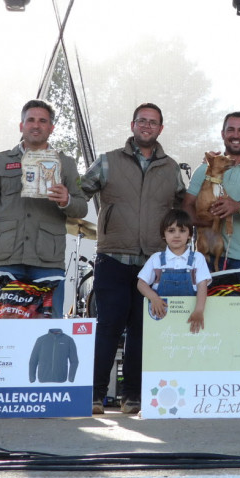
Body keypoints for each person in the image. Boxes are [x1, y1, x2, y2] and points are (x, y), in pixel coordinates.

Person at [79, 102, 185, 415]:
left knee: (143, 330)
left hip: (153, 262)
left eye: (153, 122)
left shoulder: (172, 169)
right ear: (132, 124)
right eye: (142, 120)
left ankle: (133, 396)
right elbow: (80, 191)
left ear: (161, 129)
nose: (147, 126)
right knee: (108, 326)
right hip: (112, 257)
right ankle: (95, 394)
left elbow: (183, 208)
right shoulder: (107, 161)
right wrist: (62, 191)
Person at [0, 99, 88, 318]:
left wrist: (66, 200)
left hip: (48, 260)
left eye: (43, 121)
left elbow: (81, 208)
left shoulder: (66, 163)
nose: (36, 125)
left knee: (47, 326)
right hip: (7, 257)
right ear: (21, 125)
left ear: (51, 128)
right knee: (4, 329)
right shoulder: (1, 161)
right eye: (31, 120)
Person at [183, 112, 240, 270]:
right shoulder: (205, 169)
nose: (236, 135)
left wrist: (237, 207)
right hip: (207, 257)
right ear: (222, 134)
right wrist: (209, 221)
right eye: (231, 130)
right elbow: (186, 207)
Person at [136, 209, 211, 334]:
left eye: (182, 230)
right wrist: (154, 298)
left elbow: (202, 286)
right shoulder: (156, 258)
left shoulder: (198, 258)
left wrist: (199, 310)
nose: (177, 235)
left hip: (190, 318)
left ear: (190, 234)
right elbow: (141, 283)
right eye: (171, 231)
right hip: (161, 316)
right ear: (163, 234)